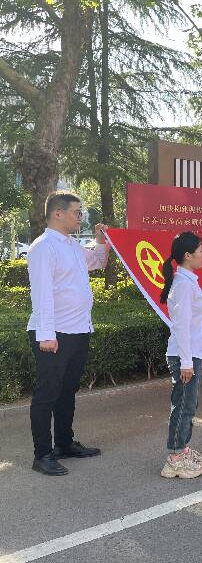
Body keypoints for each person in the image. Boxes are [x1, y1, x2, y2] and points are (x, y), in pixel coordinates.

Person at [26, 191, 109, 476]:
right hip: (54, 333)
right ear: (58, 213)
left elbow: (97, 262)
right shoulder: (43, 247)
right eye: (77, 212)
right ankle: (42, 454)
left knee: (67, 391)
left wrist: (100, 240)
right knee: (47, 394)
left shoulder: (72, 245)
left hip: (78, 329)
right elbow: (42, 295)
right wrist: (47, 335)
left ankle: (64, 443)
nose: (81, 217)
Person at [160, 232, 202, 479]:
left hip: (191, 354)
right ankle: (175, 458)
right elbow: (181, 327)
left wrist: (200, 352)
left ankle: (182, 450)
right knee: (183, 406)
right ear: (188, 255)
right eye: (200, 250)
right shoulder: (183, 285)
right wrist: (186, 362)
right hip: (184, 357)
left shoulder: (188, 281)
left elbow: (194, 324)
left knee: (188, 405)